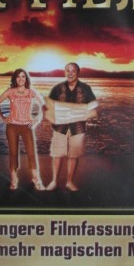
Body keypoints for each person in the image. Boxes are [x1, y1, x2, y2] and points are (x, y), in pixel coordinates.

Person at [46, 63, 97, 192]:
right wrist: (50, 116)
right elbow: (49, 105)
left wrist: (89, 114)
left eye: (73, 71)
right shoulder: (57, 88)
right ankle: (54, 181)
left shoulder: (86, 88)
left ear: (78, 72)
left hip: (78, 128)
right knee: (57, 155)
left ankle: (69, 182)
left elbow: (92, 106)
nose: (70, 73)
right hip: (59, 127)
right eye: (67, 70)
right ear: (64, 72)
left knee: (73, 156)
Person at [0, 68, 45, 190]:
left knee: (31, 153)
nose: (21, 79)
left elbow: (43, 105)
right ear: (15, 79)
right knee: (13, 153)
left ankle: (36, 178)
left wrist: (37, 119)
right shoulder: (10, 91)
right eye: (18, 76)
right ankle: (14, 178)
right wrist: (3, 118)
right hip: (12, 126)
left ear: (26, 79)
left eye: (23, 76)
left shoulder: (30, 92)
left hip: (27, 126)